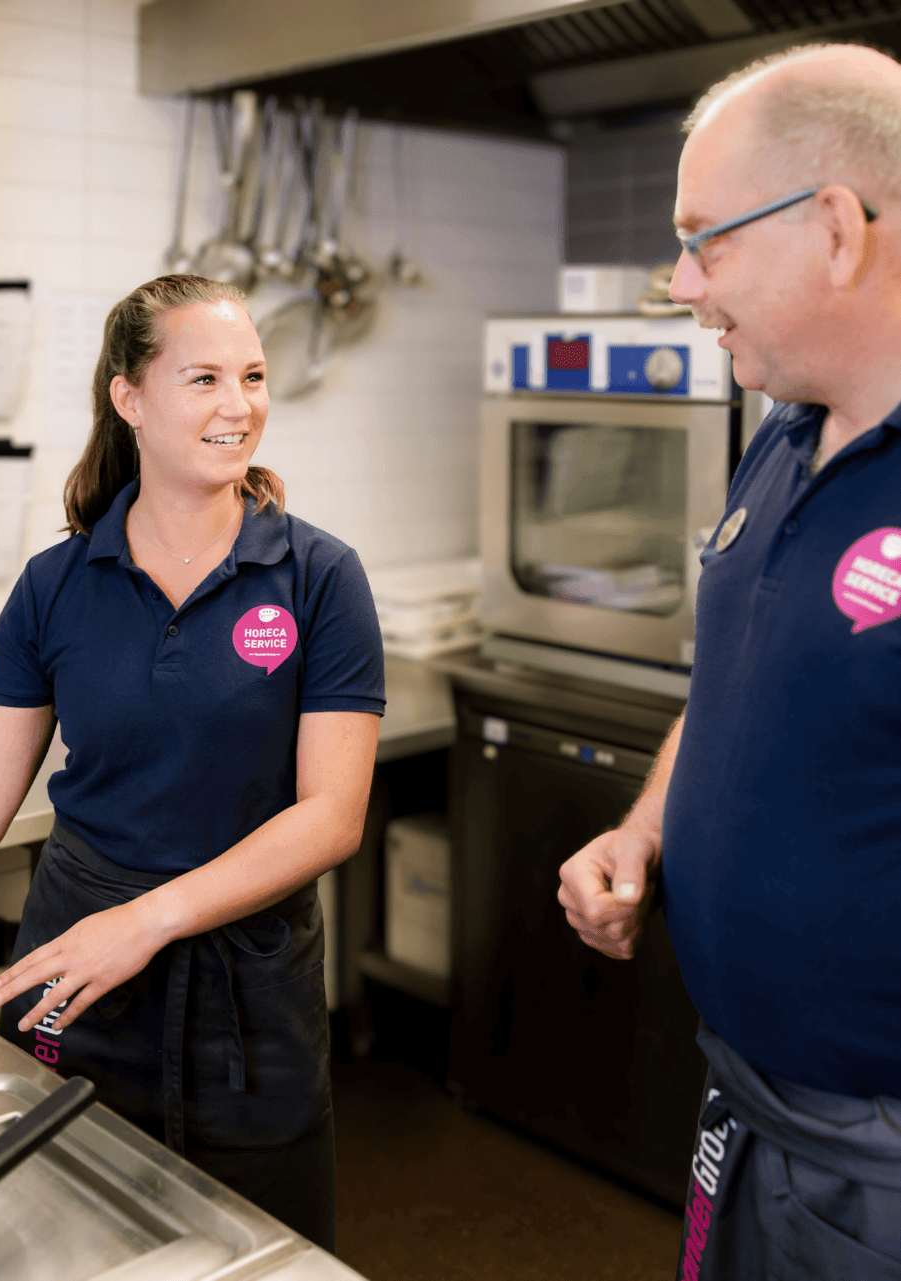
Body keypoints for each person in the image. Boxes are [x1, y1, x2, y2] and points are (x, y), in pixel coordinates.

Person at [0, 275, 385, 1251]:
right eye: (204, 377)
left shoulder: (318, 576)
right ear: (129, 397)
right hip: (73, 980)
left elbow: (330, 816)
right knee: (68, 1238)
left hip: (247, 995)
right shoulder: (56, 585)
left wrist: (146, 921)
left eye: (252, 376)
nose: (240, 404)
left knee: (262, 1251)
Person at [558, 43, 901, 1278]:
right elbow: (736, 690)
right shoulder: (784, 433)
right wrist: (645, 832)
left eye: (709, 240)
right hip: (747, 1099)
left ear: (833, 228)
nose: (683, 283)